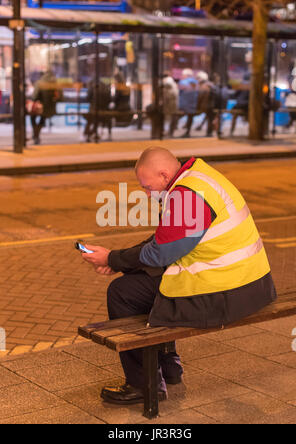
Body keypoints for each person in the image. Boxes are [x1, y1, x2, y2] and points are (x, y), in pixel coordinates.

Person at [81, 147, 277, 405]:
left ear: (164, 175)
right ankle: (170, 371)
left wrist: (113, 260)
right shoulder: (199, 177)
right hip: (252, 283)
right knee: (146, 282)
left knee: (123, 293)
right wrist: (117, 260)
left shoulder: (187, 195)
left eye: (147, 187)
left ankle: (145, 385)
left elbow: (161, 253)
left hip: (226, 292)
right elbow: (163, 242)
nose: (147, 195)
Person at [30, 70, 60, 145]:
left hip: (40, 108)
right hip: (51, 109)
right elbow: (60, 97)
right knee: (42, 118)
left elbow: (34, 97)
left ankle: (36, 135)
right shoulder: (56, 83)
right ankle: (36, 135)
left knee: (32, 117)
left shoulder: (40, 83)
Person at [178, 69, 198, 138]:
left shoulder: (183, 82)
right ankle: (188, 131)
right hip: (193, 104)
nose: (182, 76)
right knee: (190, 118)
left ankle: (171, 132)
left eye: (183, 75)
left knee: (176, 116)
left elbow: (180, 93)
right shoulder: (196, 82)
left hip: (184, 104)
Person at [162, 73, 179, 137]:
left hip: (170, 104)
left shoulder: (167, 85)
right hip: (173, 104)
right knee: (173, 117)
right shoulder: (173, 84)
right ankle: (170, 132)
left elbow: (167, 96)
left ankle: (169, 132)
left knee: (172, 117)